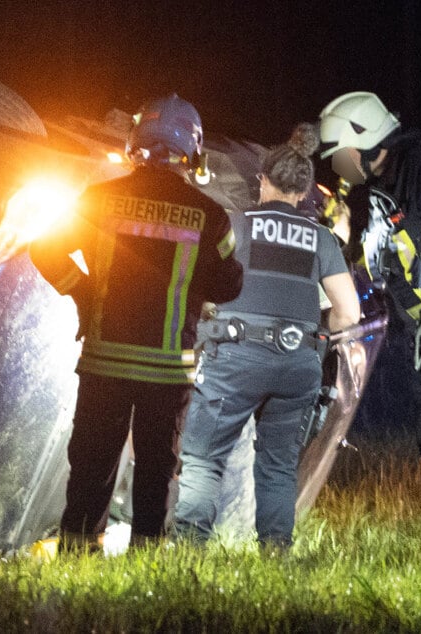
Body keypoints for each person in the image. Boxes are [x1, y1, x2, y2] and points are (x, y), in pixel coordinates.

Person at [29, 94, 243, 550]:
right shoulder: (211, 215)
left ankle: (77, 554)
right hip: (168, 370)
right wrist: (194, 285)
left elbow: (42, 248)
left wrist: (83, 291)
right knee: (156, 470)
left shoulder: (98, 199)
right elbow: (230, 287)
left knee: (91, 463)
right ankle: (146, 563)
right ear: (193, 148)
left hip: (105, 360)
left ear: (136, 140)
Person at [173, 123, 361, 548]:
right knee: (277, 468)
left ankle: (186, 555)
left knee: (203, 462)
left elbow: (201, 288)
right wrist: (315, 334)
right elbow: (349, 312)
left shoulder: (234, 224)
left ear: (262, 181)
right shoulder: (322, 239)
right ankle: (275, 555)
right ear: (305, 191)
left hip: (234, 359)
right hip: (298, 363)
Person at [318, 91, 421, 527]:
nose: (339, 168)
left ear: (366, 140)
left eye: (340, 156)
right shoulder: (384, 182)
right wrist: (343, 238)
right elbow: (379, 259)